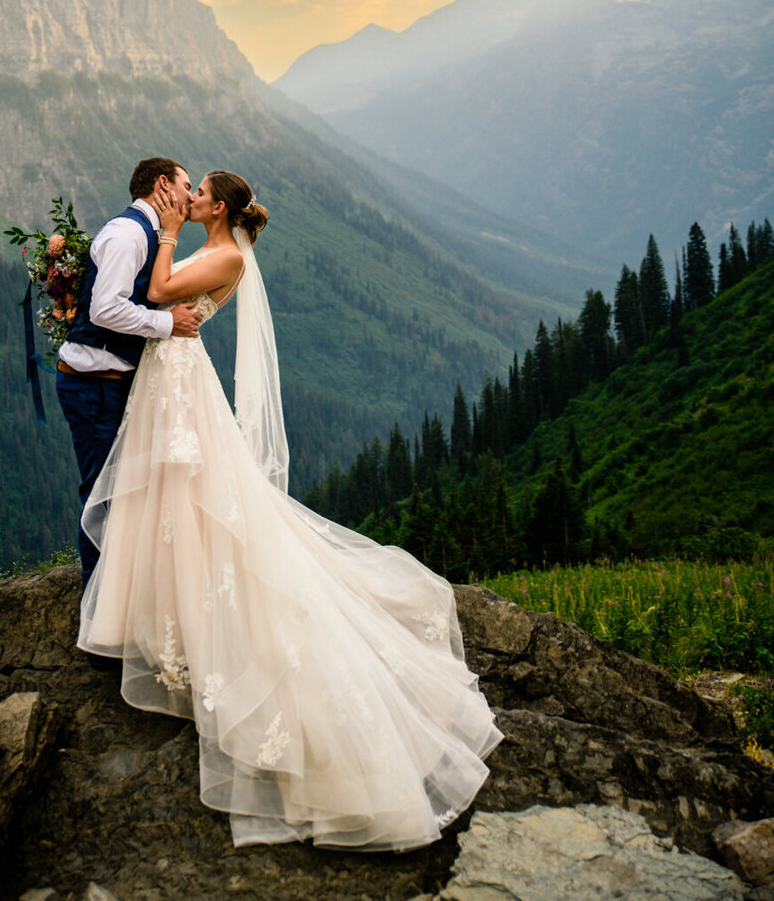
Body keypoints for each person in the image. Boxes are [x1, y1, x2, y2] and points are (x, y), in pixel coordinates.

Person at [78, 169, 503, 852]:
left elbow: (158, 293)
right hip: (173, 376)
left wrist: (163, 234)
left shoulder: (222, 253)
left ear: (215, 207)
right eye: (183, 191)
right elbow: (162, 306)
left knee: (193, 501)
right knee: (175, 501)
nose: (185, 198)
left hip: (181, 381)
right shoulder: (219, 245)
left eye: (197, 193)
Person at [56, 156, 201, 590]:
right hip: (93, 385)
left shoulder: (148, 234)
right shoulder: (127, 234)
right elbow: (105, 309)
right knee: (104, 496)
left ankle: (115, 602)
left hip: (109, 383)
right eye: (186, 185)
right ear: (163, 185)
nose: (191, 196)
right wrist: (167, 323)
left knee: (120, 492)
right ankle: (95, 607)